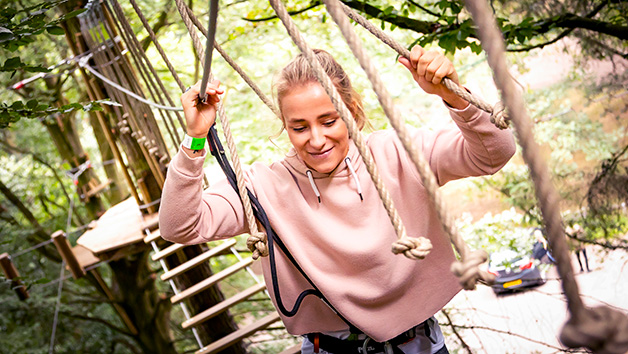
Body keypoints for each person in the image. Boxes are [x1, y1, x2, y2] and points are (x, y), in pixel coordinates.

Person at [159, 46, 516, 354]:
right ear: (284, 125)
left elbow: (493, 154)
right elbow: (180, 225)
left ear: (351, 110)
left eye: (329, 120)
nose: (316, 139)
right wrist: (194, 138)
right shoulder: (265, 186)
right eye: (299, 127)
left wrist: (454, 97)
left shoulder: (398, 152)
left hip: (419, 343)